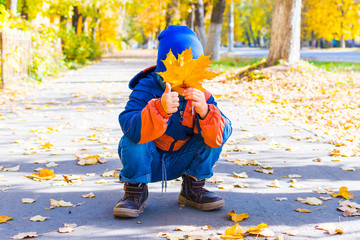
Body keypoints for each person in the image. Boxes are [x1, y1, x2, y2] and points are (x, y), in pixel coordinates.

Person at [113, 25, 232, 218]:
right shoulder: (146, 88)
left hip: (182, 158)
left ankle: (193, 188)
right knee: (131, 140)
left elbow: (224, 133)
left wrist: (205, 112)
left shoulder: (201, 95)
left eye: (193, 71)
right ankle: (135, 191)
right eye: (177, 72)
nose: (185, 81)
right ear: (164, 70)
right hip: (150, 158)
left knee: (214, 130)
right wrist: (158, 109)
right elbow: (128, 124)